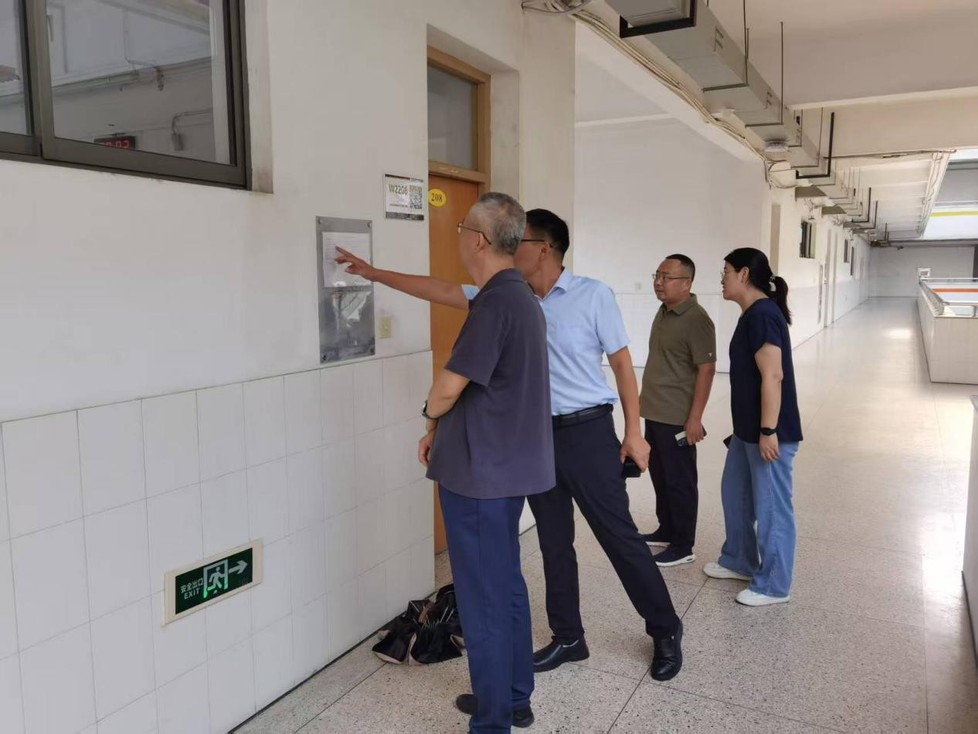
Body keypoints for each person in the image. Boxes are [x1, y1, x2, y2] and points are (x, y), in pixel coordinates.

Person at [337, 208, 684, 682]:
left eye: (520, 240)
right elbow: (439, 289)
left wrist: (633, 432)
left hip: (587, 432)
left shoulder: (592, 295)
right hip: (534, 437)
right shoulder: (506, 296)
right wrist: (375, 273)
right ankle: (569, 637)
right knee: (553, 541)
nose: (510, 247)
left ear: (544, 248)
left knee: (617, 536)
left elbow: (623, 366)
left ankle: (665, 628)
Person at [418, 192, 554, 731]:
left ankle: (493, 720)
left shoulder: (496, 303)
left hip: (480, 475)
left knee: (484, 599)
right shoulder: (519, 297)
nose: (458, 237)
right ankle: (513, 696)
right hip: (506, 469)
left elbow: (449, 387)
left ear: (476, 239)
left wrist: (429, 417)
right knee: (505, 587)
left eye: (460, 229)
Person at [703, 247, 803, 606]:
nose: (722, 278)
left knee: (772, 508)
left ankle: (774, 585)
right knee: (736, 494)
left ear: (743, 274)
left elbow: (773, 376)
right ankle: (740, 559)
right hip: (746, 431)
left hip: (770, 432)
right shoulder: (752, 314)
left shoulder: (763, 314)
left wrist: (768, 431)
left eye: (726, 271)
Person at [639, 255, 716, 567]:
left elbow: (707, 369)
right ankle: (667, 528)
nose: (659, 282)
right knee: (660, 475)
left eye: (667, 277)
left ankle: (683, 545)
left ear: (687, 283)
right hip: (655, 411)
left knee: (680, 481)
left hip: (677, 417)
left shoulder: (697, 319)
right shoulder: (664, 311)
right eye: (657, 275)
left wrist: (695, 418)